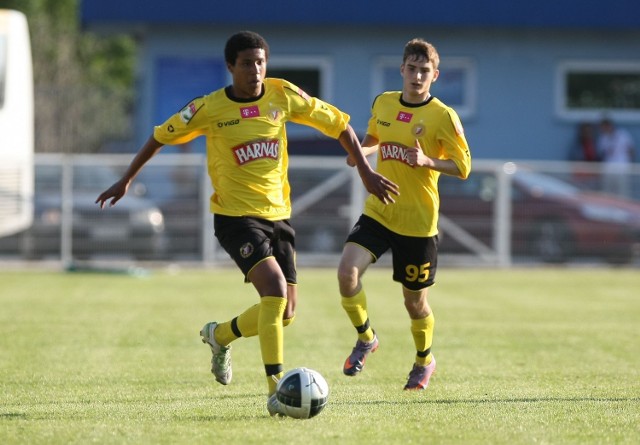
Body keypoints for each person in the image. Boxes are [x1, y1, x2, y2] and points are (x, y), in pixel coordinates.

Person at [95, 30, 399, 415]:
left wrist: (366, 173)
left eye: (260, 62)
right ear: (230, 67)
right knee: (272, 290)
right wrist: (126, 179)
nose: (255, 70)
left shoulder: (284, 95)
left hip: (279, 216)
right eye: (246, 63)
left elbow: (338, 124)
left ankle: (219, 335)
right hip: (235, 218)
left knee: (285, 312)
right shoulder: (208, 109)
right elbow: (159, 137)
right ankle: (276, 390)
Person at [337, 38, 471, 391]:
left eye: (424, 71)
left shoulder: (442, 116)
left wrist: (428, 161)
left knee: (414, 303)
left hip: (417, 222)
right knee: (347, 274)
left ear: (435, 75)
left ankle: (424, 360)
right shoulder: (383, 102)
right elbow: (374, 137)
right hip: (380, 211)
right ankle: (366, 338)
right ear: (402, 70)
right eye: (412, 69)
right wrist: (359, 153)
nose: (417, 76)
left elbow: (463, 166)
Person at [597, 118, 636, 198]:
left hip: (622, 169)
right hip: (608, 170)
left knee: (623, 193)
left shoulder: (623, 134)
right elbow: (601, 154)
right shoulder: (603, 138)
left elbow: (631, 151)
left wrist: (628, 163)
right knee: (607, 193)